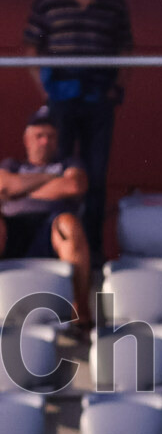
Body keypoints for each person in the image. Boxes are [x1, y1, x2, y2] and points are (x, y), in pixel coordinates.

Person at [24, 0, 132, 266]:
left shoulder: (112, 3)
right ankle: (60, 246)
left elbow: (127, 49)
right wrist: (45, 87)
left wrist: (117, 88)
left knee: (95, 175)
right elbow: (30, 47)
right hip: (61, 97)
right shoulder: (48, 1)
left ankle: (93, 251)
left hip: (98, 98)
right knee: (58, 170)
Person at [0, 110, 92, 326]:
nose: (45, 141)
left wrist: (20, 188)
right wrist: (51, 179)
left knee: (69, 224)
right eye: (39, 136)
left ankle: (81, 311)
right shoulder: (12, 165)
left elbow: (74, 185)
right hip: (13, 230)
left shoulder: (70, 163)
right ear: (26, 139)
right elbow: (3, 185)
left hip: (51, 230)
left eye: (50, 137)